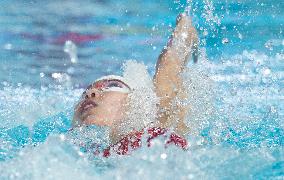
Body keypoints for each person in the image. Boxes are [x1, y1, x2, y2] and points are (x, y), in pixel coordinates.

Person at [72, 13, 198, 157]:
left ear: (136, 102)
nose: (91, 92)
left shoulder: (156, 135)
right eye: (84, 93)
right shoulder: (69, 151)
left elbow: (168, 66)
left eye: (112, 85)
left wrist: (184, 30)